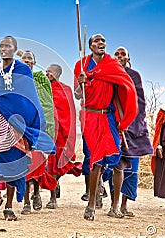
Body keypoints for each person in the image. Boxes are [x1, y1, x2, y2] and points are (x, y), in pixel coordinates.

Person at [0, 36, 56, 221]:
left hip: (16, 121)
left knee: (14, 163)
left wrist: (28, 123)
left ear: (15, 49)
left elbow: (28, 97)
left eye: (8, 46)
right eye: (2, 46)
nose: (4, 49)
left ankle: (8, 206)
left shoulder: (23, 69)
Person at [73, 34, 138, 221]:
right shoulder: (82, 65)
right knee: (95, 160)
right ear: (90, 45)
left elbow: (125, 87)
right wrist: (81, 83)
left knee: (117, 160)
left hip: (109, 117)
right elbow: (78, 95)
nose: (101, 44)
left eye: (103, 42)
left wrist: (123, 118)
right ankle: (91, 203)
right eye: (96, 41)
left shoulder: (112, 65)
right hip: (90, 116)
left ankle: (115, 206)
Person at [102, 47, 153, 217]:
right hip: (113, 126)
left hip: (133, 128)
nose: (119, 56)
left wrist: (136, 125)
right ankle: (113, 205)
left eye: (123, 54)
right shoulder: (108, 74)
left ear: (128, 58)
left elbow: (140, 103)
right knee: (115, 165)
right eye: (116, 54)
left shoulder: (135, 76)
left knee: (131, 168)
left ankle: (123, 205)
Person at [20, 51, 57, 214]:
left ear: (34, 62)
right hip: (20, 125)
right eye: (24, 59)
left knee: (37, 163)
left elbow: (48, 105)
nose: (27, 62)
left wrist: (46, 129)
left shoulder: (41, 79)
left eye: (30, 60)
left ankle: (36, 194)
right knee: (23, 164)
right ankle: (26, 201)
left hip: (37, 126)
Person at [45, 64, 82, 209]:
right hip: (49, 132)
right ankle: (52, 198)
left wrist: (68, 132)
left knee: (60, 166)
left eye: (50, 71)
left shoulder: (65, 89)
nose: (47, 73)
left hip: (63, 132)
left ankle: (55, 187)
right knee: (52, 166)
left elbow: (70, 111)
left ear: (57, 73)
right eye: (46, 70)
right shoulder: (43, 89)